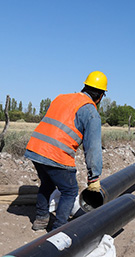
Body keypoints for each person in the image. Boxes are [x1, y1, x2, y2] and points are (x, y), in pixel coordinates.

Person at [25, 71, 107, 231]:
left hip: (36, 148)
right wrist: (94, 177)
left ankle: (41, 220)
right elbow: (93, 148)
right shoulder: (91, 113)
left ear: (85, 86)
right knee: (69, 191)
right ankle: (59, 229)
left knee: (47, 184)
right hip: (56, 154)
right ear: (101, 96)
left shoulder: (62, 97)